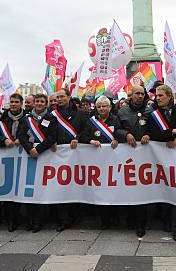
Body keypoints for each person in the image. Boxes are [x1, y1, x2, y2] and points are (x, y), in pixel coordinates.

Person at [145, 84, 176, 241]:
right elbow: (152, 134)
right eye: (156, 95)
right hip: (160, 160)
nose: (158, 98)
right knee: (164, 190)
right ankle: (167, 222)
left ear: (169, 96)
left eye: (161, 95)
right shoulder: (153, 114)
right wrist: (172, 134)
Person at [83, 96, 126, 229]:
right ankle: (104, 220)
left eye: (104, 106)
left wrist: (117, 140)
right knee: (101, 189)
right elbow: (82, 136)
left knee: (114, 188)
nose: (101, 108)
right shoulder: (91, 122)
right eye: (99, 106)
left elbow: (122, 132)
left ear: (110, 107)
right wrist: (90, 141)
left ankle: (115, 218)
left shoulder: (116, 119)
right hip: (98, 162)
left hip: (114, 161)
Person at [49, 89, 88, 231]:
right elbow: (45, 132)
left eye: (62, 96)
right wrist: (50, 141)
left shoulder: (79, 114)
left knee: (74, 185)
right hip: (57, 155)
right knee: (60, 186)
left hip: (75, 155)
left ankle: (75, 216)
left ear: (69, 97)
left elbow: (86, 130)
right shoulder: (52, 114)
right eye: (57, 97)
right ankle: (63, 219)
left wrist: (78, 139)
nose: (59, 99)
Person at [0, 93, 26, 232]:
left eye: (16, 102)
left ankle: (19, 218)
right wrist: (2, 141)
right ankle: (10, 219)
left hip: (23, 158)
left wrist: (22, 140)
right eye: (12, 102)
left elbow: (33, 133)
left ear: (21, 103)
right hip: (5, 158)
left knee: (21, 188)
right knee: (8, 188)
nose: (14, 104)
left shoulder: (28, 118)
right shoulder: (1, 119)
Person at [20, 93, 57, 232]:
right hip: (29, 155)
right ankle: (29, 220)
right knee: (29, 188)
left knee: (41, 189)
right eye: (38, 101)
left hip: (44, 156)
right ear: (34, 103)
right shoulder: (26, 119)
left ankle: (38, 221)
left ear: (46, 103)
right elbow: (21, 135)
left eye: (42, 101)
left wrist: (39, 149)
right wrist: (30, 149)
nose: (40, 103)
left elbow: (53, 136)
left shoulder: (51, 118)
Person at [118, 85, 151, 237]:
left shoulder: (150, 111)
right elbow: (115, 129)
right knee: (129, 187)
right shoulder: (122, 111)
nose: (140, 96)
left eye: (142, 94)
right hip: (128, 156)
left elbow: (155, 129)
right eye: (137, 93)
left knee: (143, 190)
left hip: (145, 157)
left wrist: (148, 135)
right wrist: (125, 134)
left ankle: (141, 224)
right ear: (131, 95)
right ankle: (130, 219)